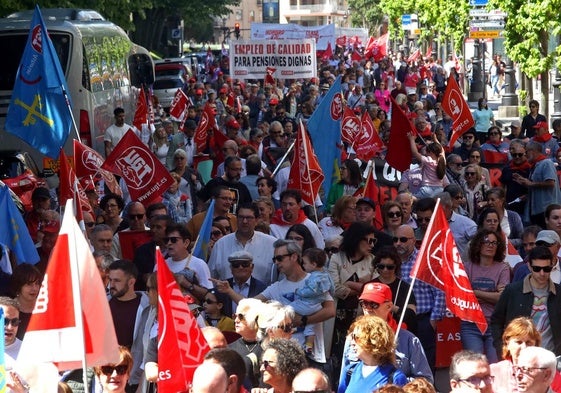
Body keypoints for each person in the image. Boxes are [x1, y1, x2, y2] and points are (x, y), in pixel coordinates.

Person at [340, 282, 433, 384]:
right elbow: (344, 379)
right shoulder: (353, 338)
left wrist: (396, 381)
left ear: (389, 306)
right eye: (364, 303)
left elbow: (425, 382)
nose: (368, 308)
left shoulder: (409, 340)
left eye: (373, 304)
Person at [491, 246, 561, 357]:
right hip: (518, 358)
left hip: (550, 358)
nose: (542, 273)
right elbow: (496, 322)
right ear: (529, 266)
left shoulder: (558, 293)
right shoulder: (512, 291)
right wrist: (503, 349)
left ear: (552, 266)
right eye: (537, 269)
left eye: (546, 269)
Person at [395, 224, 446, 371]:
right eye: (395, 239)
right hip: (399, 319)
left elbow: (440, 291)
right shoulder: (390, 262)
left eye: (403, 239)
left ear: (413, 240)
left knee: (425, 363)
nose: (398, 243)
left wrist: (433, 321)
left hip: (423, 319)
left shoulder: (425, 260)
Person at [328, 222, 376, 358]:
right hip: (337, 318)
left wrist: (349, 284)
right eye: (369, 241)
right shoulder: (336, 258)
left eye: (374, 241)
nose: (372, 245)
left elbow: (374, 292)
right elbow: (335, 288)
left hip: (361, 317)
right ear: (356, 239)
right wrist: (362, 288)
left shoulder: (373, 261)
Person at [462, 229, 510, 363]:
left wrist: (474, 292)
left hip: (494, 324)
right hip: (470, 324)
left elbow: (501, 298)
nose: (491, 245)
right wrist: (492, 295)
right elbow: (464, 295)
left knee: (494, 366)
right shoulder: (467, 267)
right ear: (478, 244)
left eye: (494, 243)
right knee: (474, 366)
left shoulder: (503, 268)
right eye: (487, 242)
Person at [209, 203, 277, 285]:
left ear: (256, 220)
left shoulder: (271, 244)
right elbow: (211, 278)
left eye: (249, 218)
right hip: (226, 296)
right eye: (241, 217)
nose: (244, 221)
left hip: (262, 296)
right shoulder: (221, 244)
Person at [107, 260, 149, 393]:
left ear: (131, 282)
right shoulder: (103, 303)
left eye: (117, 281)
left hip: (133, 377)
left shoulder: (147, 308)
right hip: (105, 374)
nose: (111, 285)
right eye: (110, 280)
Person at [337, 315, 408, 393]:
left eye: (356, 337)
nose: (352, 343)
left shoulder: (395, 377)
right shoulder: (349, 371)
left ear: (373, 341)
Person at [292, 247, 334, 358]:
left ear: (314, 264)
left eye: (305, 263)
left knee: (288, 308)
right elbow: (333, 287)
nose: (303, 266)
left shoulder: (314, 277)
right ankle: (309, 345)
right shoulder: (326, 274)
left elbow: (311, 291)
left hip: (308, 304)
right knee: (310, 326)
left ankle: (292, 327)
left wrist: (299, 292)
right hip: (317, 306)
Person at [369, 246, 417, 334]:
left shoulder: (404, 287)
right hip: (374, 331)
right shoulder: (369, 286)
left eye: (390, 267)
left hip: (398, 331)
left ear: (396, 267)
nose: (385, 270)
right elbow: (361, 313)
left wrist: (392, 308)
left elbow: (411, 314)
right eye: (381, 266)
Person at [514, 141, 561, 228]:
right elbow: (535, 186)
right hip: (537, 210)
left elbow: (551, 183)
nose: (525, 155)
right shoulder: (535, 166)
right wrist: (524, 183)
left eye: (526, 152)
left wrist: (530, 183)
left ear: (533, 151)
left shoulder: (547, 163)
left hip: (547, 210)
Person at [490, 316, 542, 392]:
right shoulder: (493, 371)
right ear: (507, 343)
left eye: (529, 343)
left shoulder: (546, 372)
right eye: (519, 342)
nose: (523, 347)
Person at [228, 298, 265, 389]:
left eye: (241, 316)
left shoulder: (269, 346)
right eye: (234, 316)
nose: (236, 320)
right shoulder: (230, 349)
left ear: (255, 318)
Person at [408, 134, 447, 198]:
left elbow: (415, 153)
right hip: (440, 190)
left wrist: (411, 140)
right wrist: (435, 139)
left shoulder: (428, 161)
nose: (425, 154)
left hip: (427, 190)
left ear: (430, 152)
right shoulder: (442, 160)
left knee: (411, 199)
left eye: (427, 152)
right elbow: (441, 149)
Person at [9, 263, 42, 340]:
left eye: (37, 283)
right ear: (18, 286)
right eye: (29, 284)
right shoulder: (8, 310)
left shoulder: (44, 307)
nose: (34, 288)